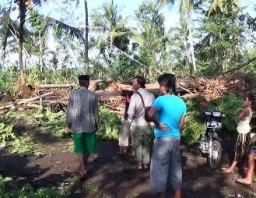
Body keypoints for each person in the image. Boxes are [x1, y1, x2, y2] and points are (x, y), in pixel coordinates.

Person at [148, 73, 186, 198]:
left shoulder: (159, 100)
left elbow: (150, 114)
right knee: (176, 169)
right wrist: (177, 135)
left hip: (162, 139)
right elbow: (181, 124)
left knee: (160, 170)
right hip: (175, 139)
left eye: (160, 85)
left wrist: (158, 124)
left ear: (164, 86)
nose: (159, 88)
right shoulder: (181, 102)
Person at [65, 75, 99, 179]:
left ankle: (82, 167)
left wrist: (67, 124)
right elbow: (96, 112)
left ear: (79, 82)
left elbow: (69, 111)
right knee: (89, 147)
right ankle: (83, 166)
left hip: (76, 125)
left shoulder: (73, 94)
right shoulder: (93, 95)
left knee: (79, 147)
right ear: (88, 83)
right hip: (90, 125)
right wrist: (97, 123)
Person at [222, 93, 254, 174]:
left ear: (250, 102)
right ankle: (242, 167)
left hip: (243, 133)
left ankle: (234, 168)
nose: (243, 102)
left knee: (239, 151)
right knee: (241, 150)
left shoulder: (246, 110)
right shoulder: (250, 110)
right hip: (245, 131)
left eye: (245, 100)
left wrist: (231, 115)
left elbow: (238, 118)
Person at [127, 76, 155, 170]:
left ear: (138, 84)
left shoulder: (134, 96)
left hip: (137, 124)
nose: (132, 84)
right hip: (148, 124)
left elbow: (130, 113)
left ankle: (139, 164)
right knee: (147, 144)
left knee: (137, 144)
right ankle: (146, 163)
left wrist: (129, 122)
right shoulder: (151, 95)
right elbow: (153, 111)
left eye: (133, 82)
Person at [106, 77, 134, 156]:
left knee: (134, 135)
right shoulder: (129, 93)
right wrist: (111, 82)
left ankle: (133, 151)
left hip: (136, 119)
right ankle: (122, 150)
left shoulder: (142, 95)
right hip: (127, 117)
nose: (132, 86)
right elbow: (118, 89)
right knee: (123, 134)